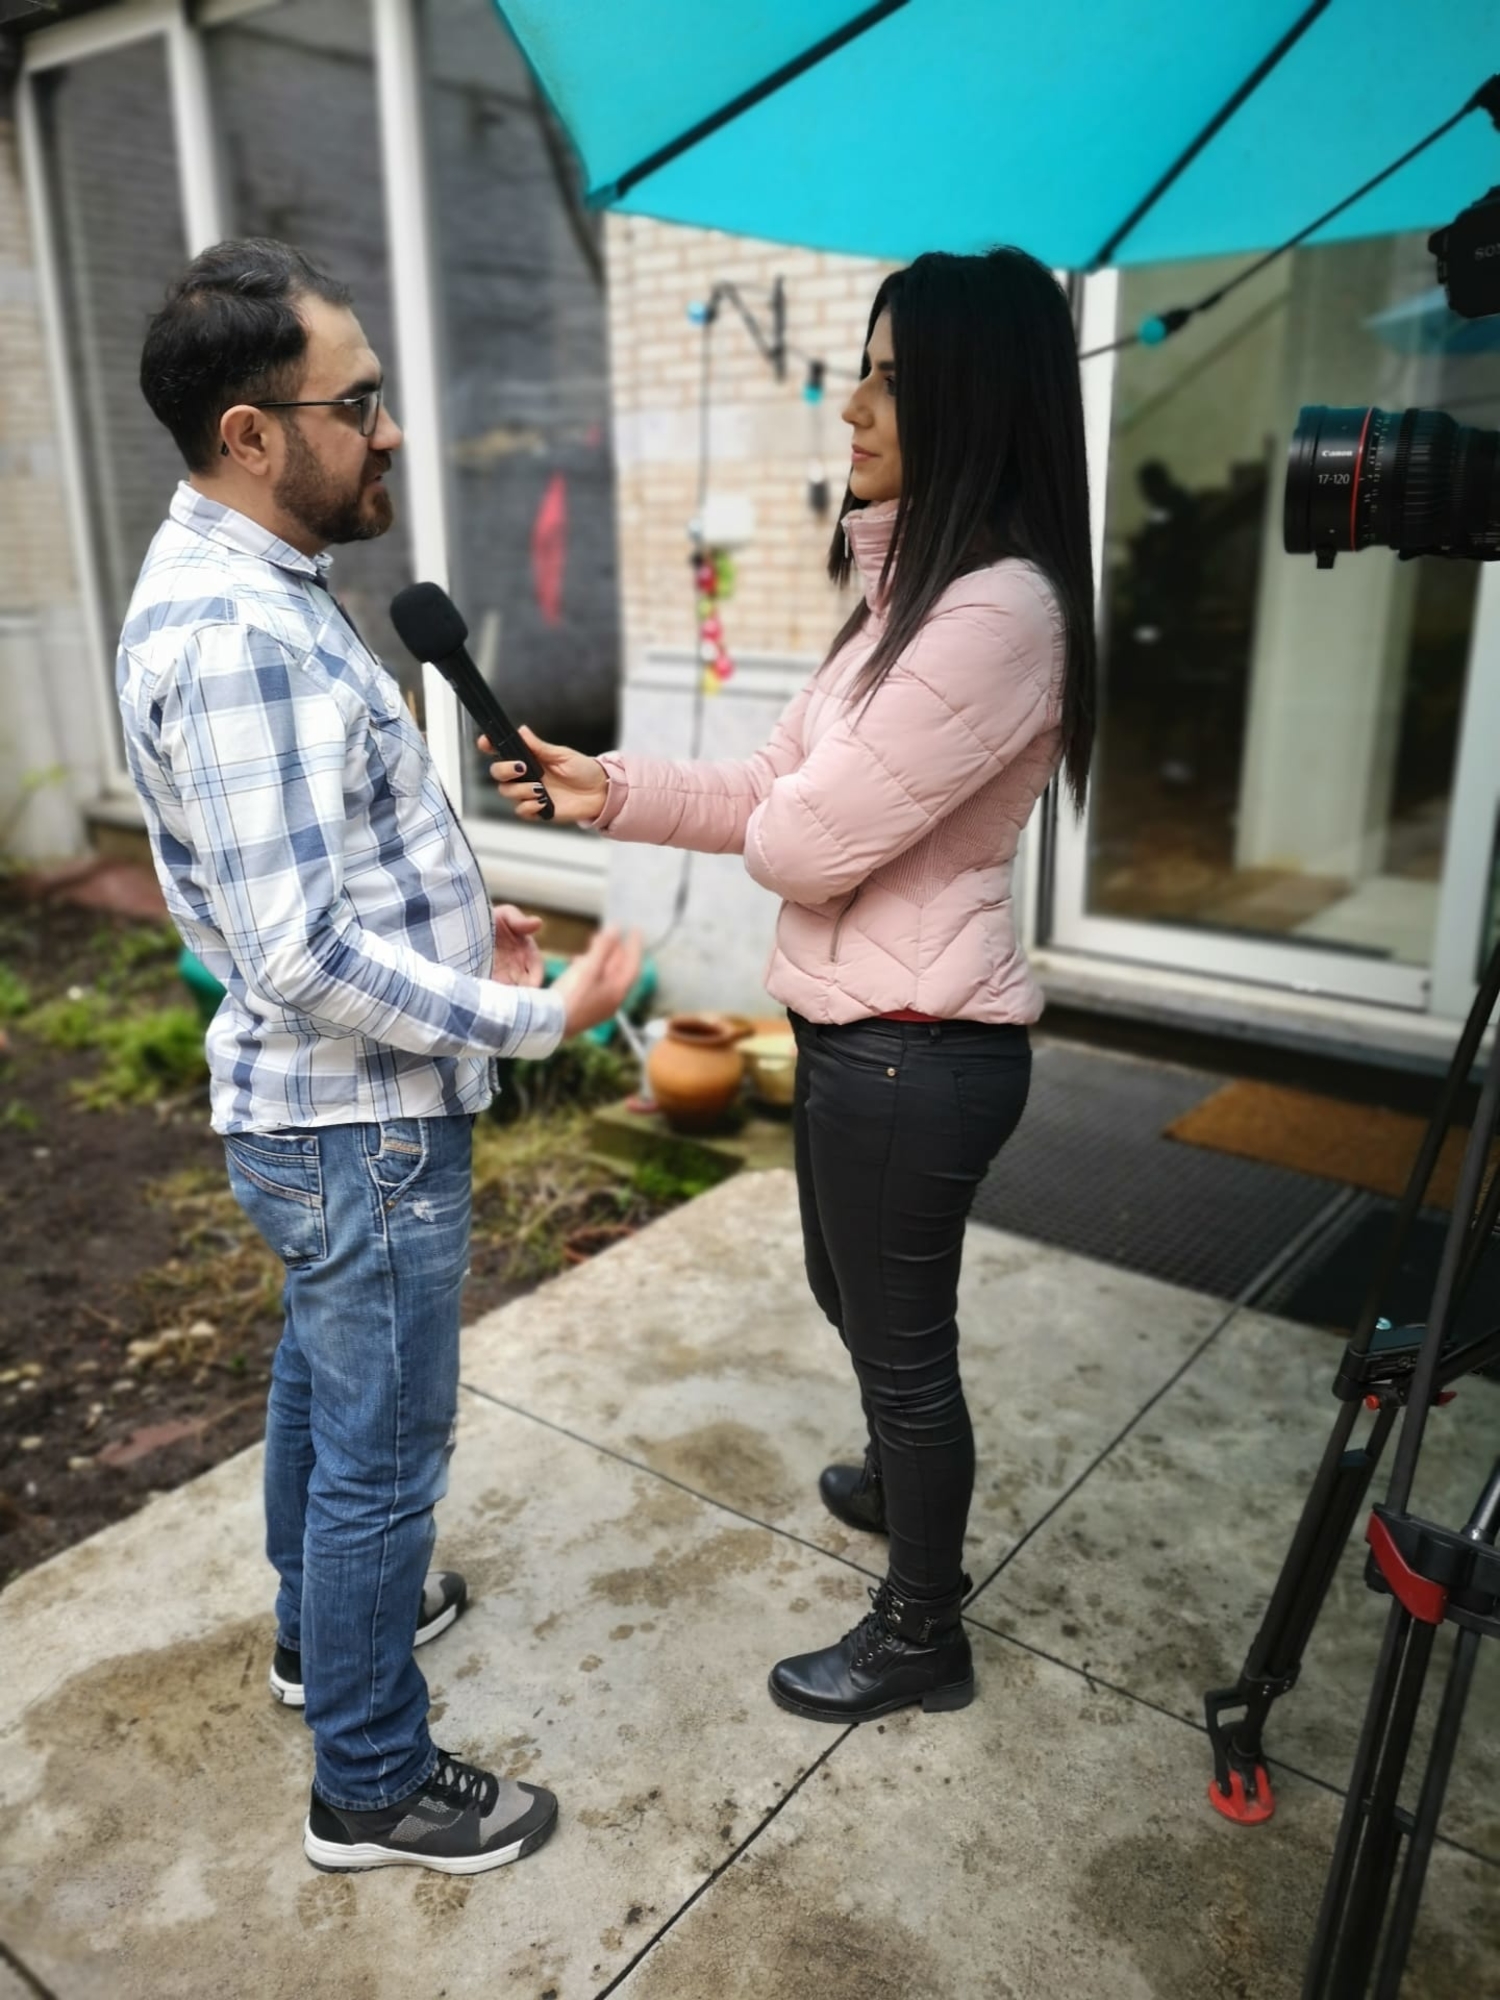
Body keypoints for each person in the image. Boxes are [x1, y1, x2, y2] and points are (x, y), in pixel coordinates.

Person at [489, 247, 1096, 1723]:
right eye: (862, 371)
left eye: (892, 377)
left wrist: (787, 821)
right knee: (850, 1290)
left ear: (973, 398)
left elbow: (807, 839)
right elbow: (778, 783)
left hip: (918, 1045)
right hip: (859, 1032)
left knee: (902, 1345)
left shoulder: (999, 613)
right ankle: (903, 1487)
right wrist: (609, 784)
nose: (856, 406)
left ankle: (921, 1632)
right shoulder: (898, 607)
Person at [122, 238, 639, 1873]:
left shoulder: (268, 586)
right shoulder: (238, 634)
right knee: (383, 1454)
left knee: (327, 1394)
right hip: (360, 1127)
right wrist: (527, 1019)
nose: (394, 429)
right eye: (359, 402)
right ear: (252, 434)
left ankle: (315, 1645)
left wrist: (449, 948)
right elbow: (287, 952)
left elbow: (316, 887)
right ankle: (369, 1780)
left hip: (342, 1115)